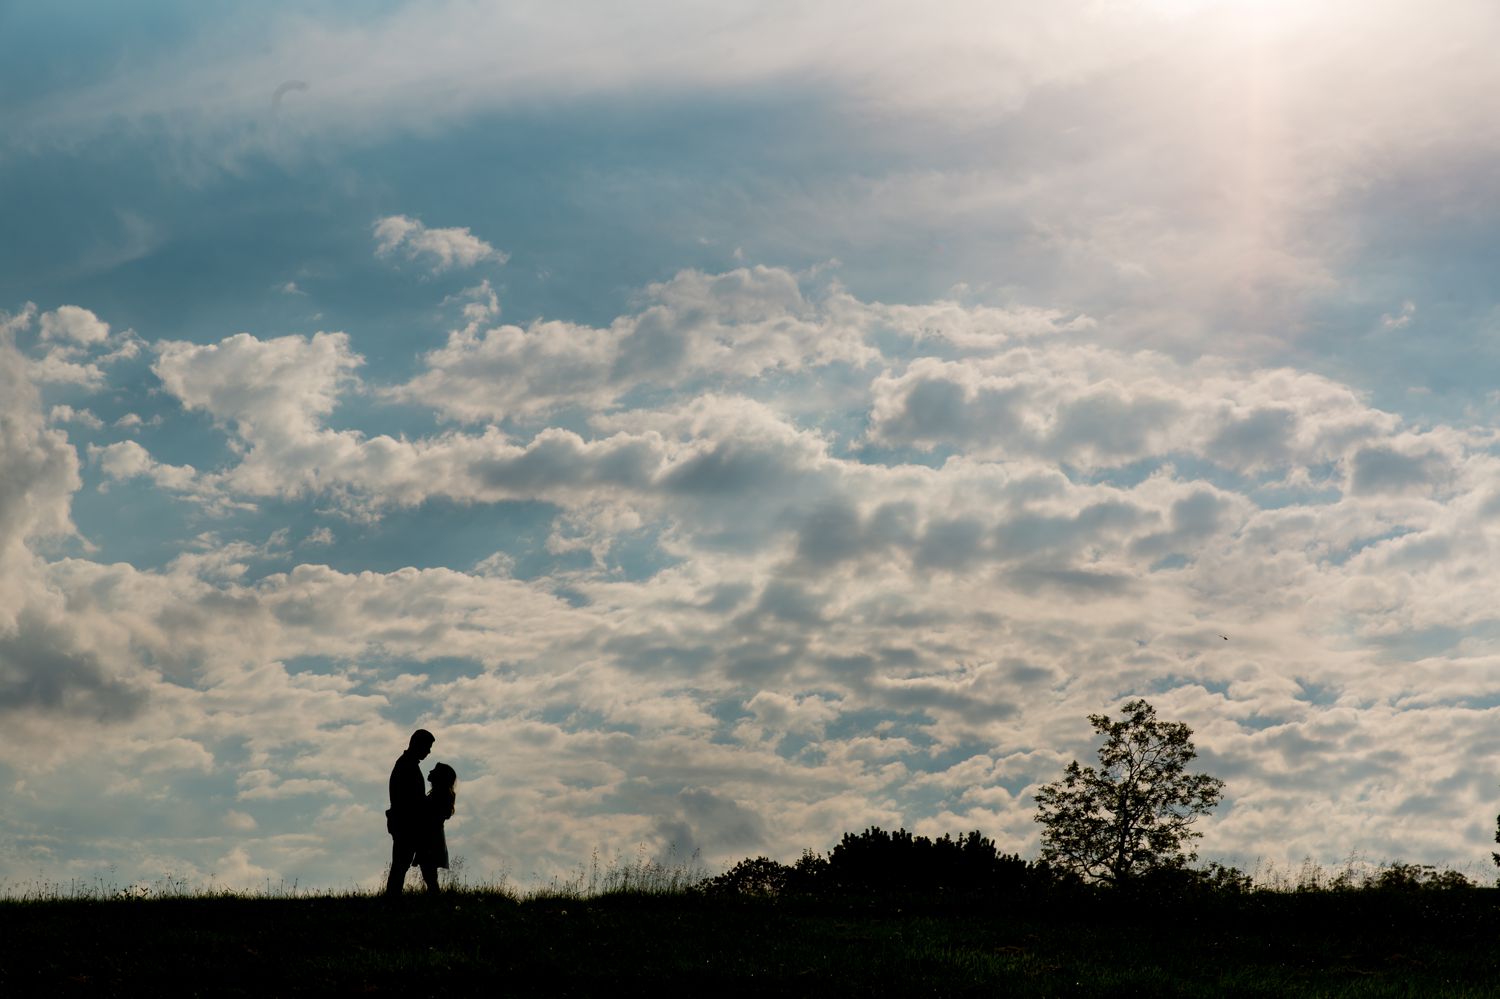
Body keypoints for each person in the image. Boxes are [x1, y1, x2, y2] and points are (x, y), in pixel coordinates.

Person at [384, 728, 434, 896]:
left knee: (405, 862)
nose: (429, 751)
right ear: (417, 744)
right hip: (406, 823)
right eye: (427, 746)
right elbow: (410, 799)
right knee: (401, 863)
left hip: (405, 822)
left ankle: (393, 897)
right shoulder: (406, 765)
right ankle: (392, 898)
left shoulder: (406, 764)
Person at [413, 762, 457, 892]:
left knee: (429, 874)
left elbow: (428, 814)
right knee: (429, 874)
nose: (430, 771)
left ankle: (434, 899)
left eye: (434, 770)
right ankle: (434, 898)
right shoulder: (439, 795)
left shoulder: (438, 796)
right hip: (433, 837)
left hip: (431, 838)